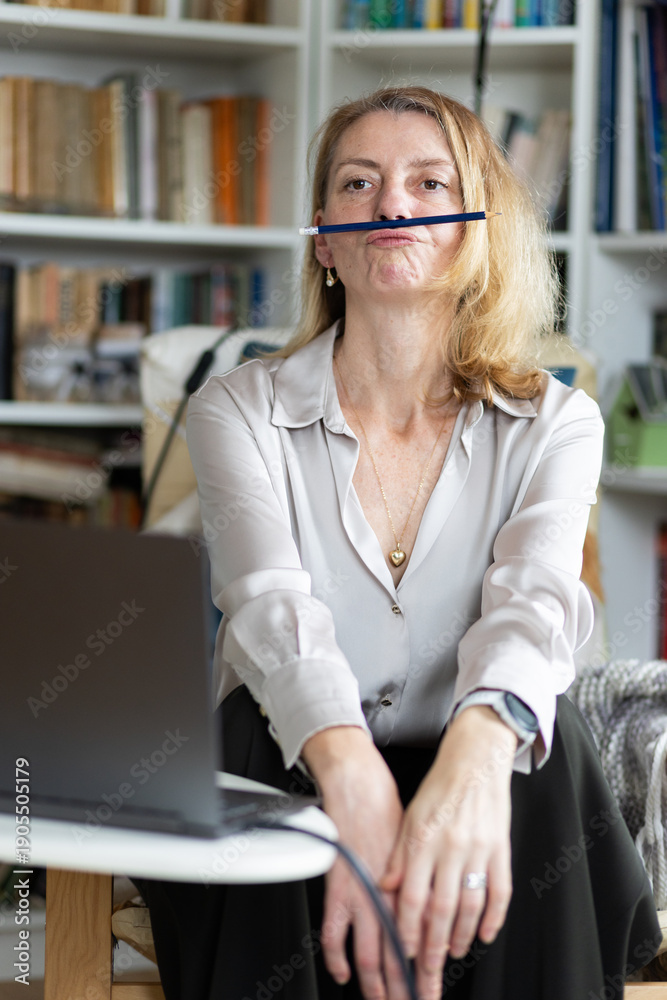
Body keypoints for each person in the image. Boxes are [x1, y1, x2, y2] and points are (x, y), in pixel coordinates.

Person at [136, 86, 660, 1000]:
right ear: (324, 239)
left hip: (484, 766)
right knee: (255, 729)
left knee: (542, 741)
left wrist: (473, 764)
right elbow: (268, 608)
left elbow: (533, 608)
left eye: (429, 183)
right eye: (357, 182)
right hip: (293, 760)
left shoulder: (556, 421)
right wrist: (353, 781)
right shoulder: (236, 409)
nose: (390, 205)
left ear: (475, 230)